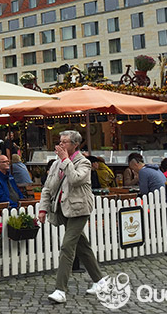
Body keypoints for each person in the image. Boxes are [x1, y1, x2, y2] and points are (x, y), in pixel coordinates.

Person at [38, 130, 107, 304]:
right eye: (60, 142)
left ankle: (60, 290)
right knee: (83, 247)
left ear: (75, 145)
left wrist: (65, 161)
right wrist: (43, 209)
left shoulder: (83, 162)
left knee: (67, 247)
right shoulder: (55, 164)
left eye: (65, 142)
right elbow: (47, 188)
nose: (61, 145)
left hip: (79, 209)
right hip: (63, 209)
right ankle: (100, 281)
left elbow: (76, 179)